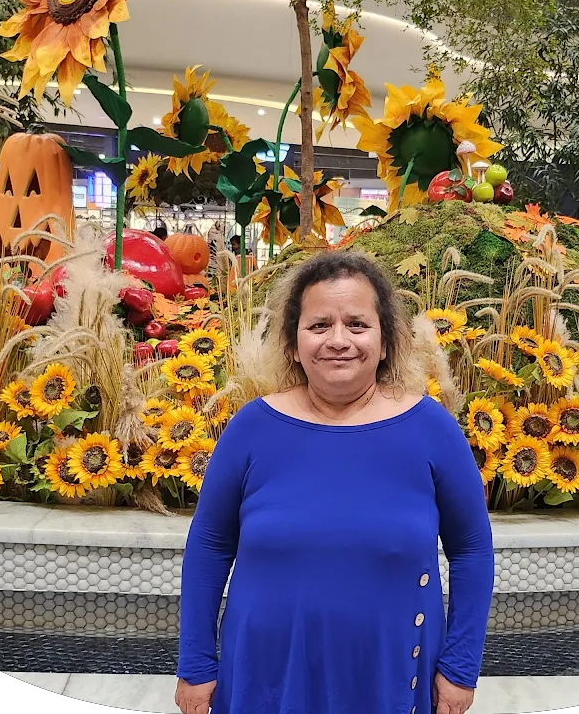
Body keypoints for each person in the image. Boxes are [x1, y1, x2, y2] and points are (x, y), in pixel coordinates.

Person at [175, 251, 495, 714]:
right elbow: (209, 546)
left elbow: (472, 550)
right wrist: (196, 664)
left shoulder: (432, 430)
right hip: (265, 677)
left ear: (385, 343)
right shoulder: (251, 428)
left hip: (389, 675)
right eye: (320, 325)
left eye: (358, 325)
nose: (339, 340)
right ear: (293, 343)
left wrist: (461, 668)